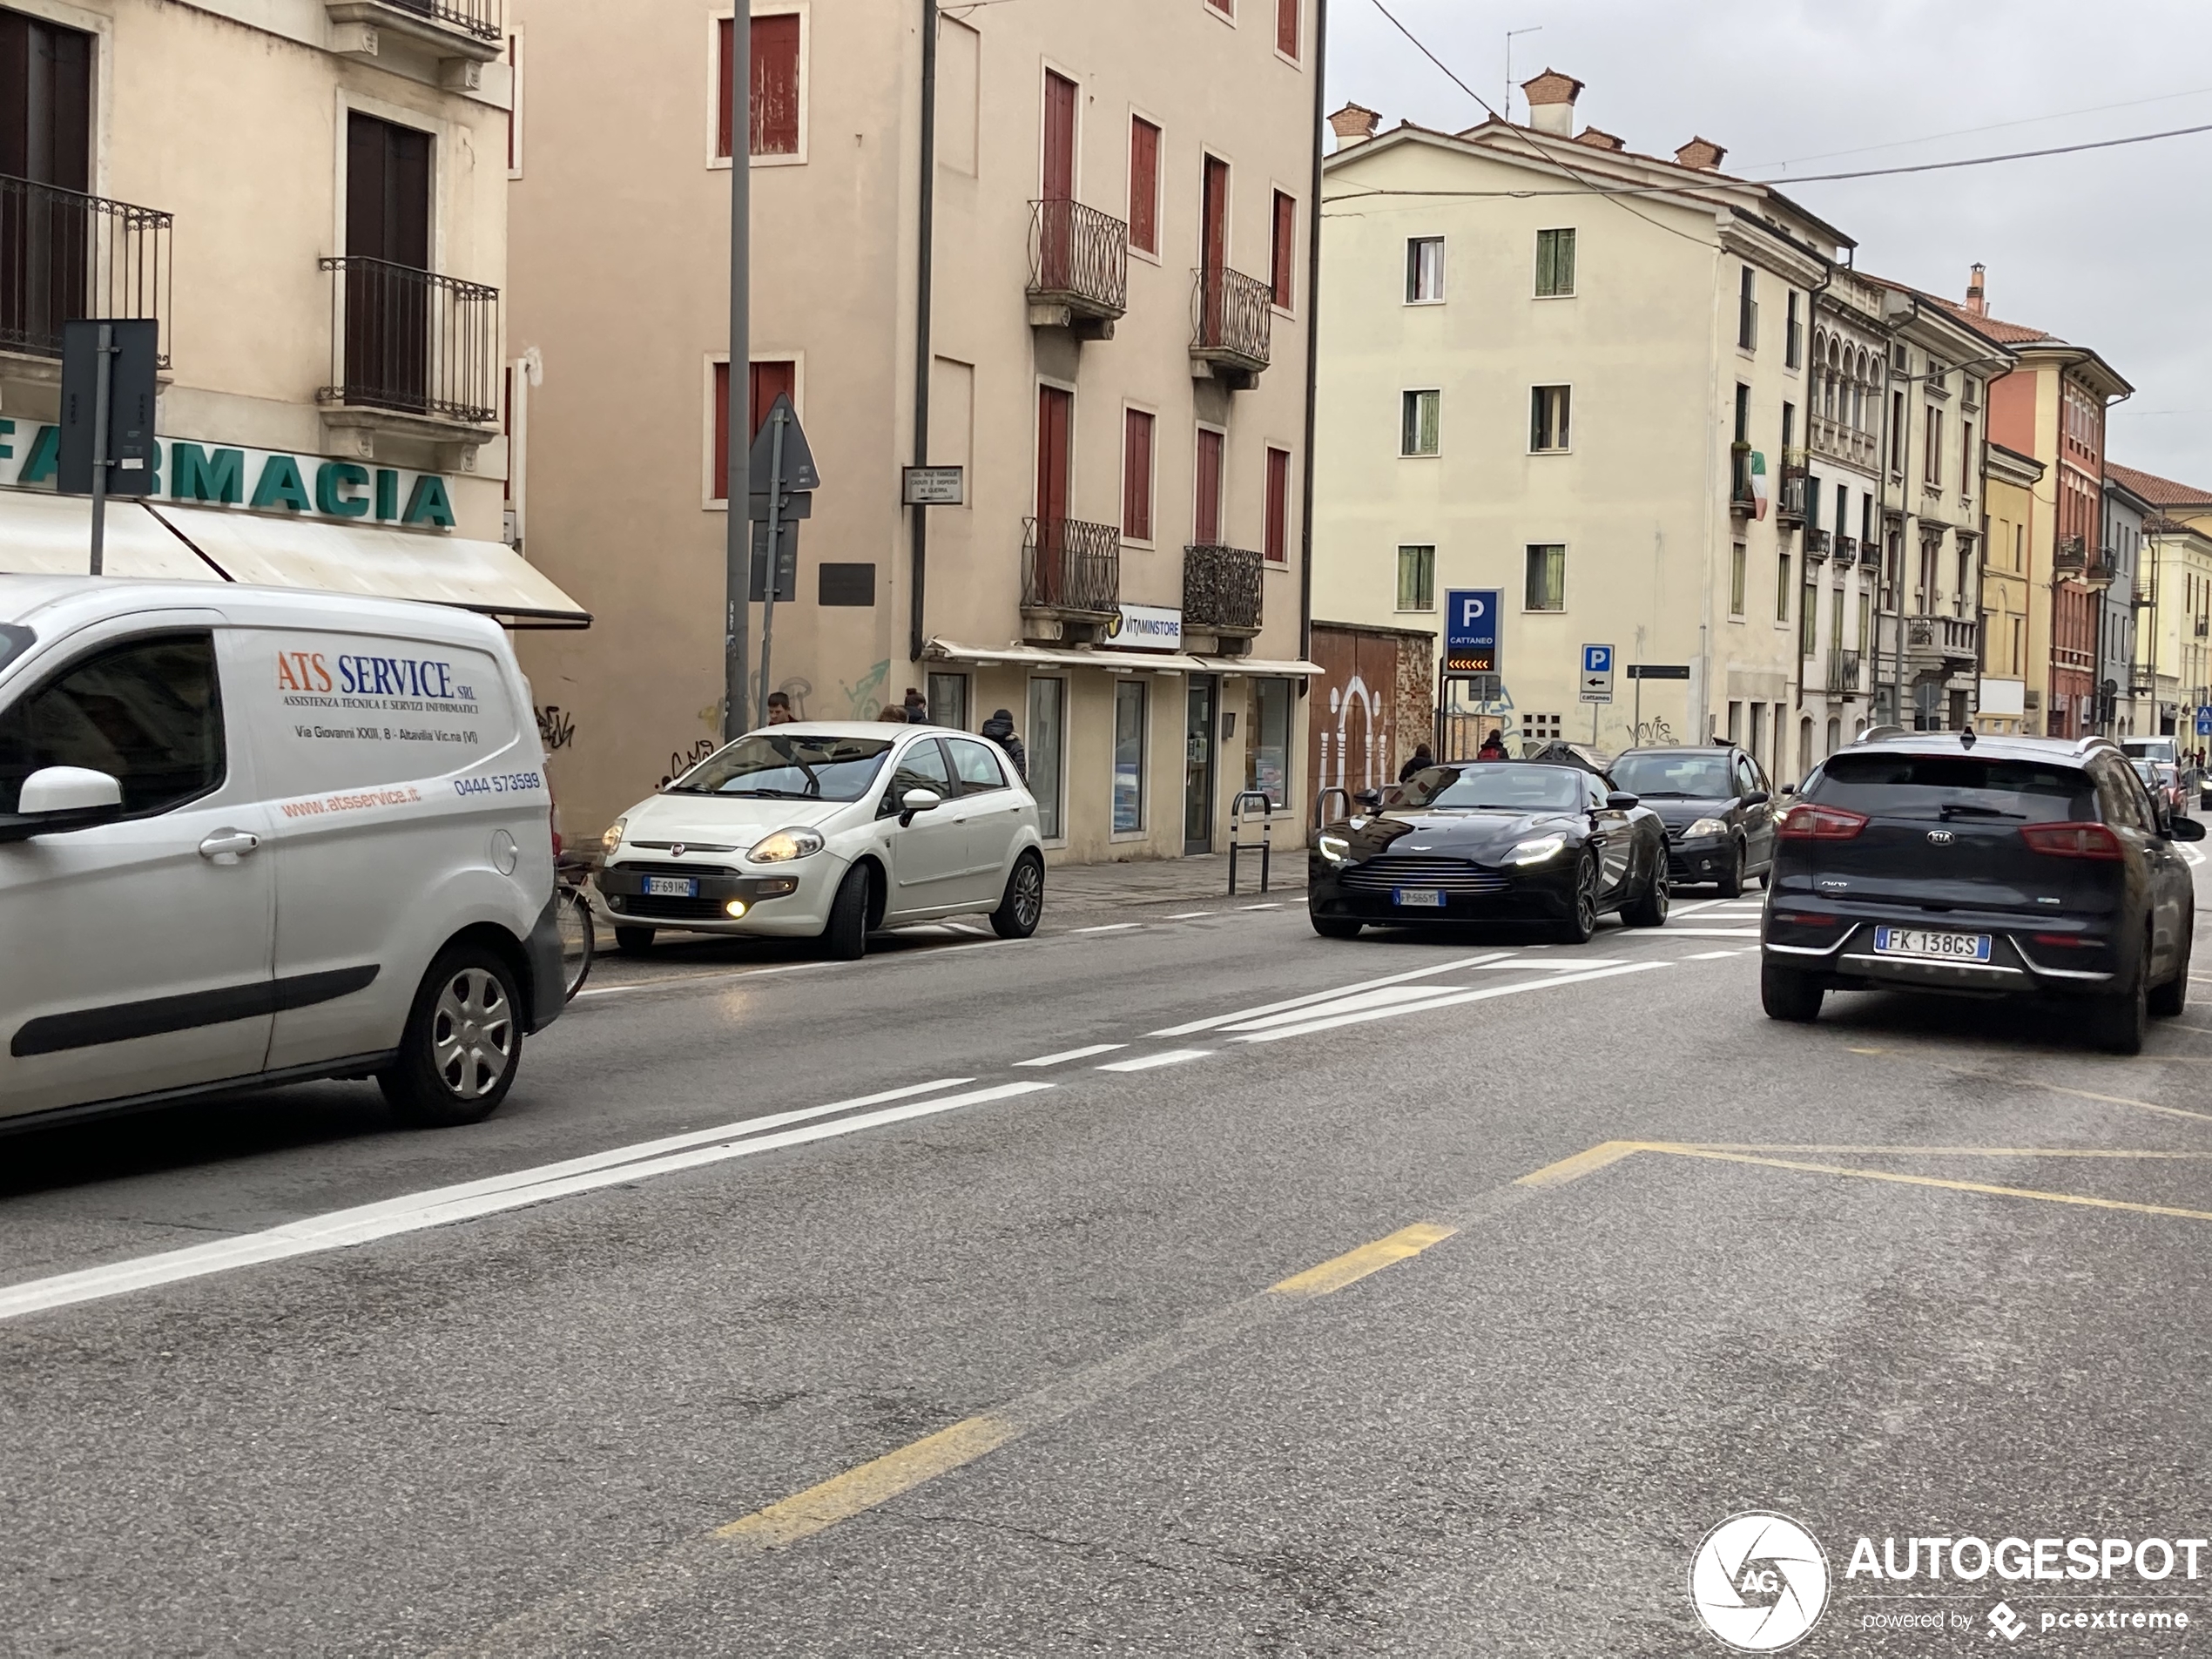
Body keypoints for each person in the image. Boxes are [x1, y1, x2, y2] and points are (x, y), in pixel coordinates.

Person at [981, 708, 1028, 781]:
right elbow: (1020, 773)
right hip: (1005, 786)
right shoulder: (1016, 745)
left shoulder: (983, 741)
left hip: (981, 785)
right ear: (1011, 723)